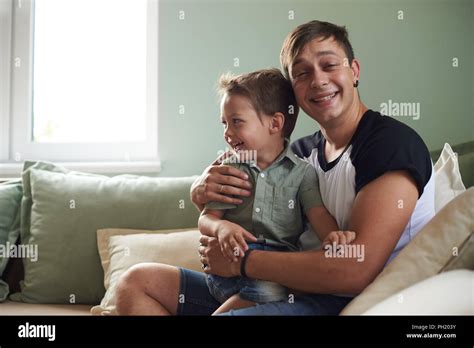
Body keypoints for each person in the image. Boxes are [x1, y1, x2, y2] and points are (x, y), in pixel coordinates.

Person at [115, 20, 435, 316]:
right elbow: (230, 200)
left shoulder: (390, 144)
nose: (318, 80)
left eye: (329, 64)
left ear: (354, 70)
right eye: (302, 73)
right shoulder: (297, 152)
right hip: (270, 286)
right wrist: (199, 190)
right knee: (138, 283)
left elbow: (355, 271)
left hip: (332, 299)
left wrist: (243, 262)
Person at [199, 69, 356, 314]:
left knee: (276, 289)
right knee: (275, 291)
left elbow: (319, 214)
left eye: (236, 122)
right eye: (224, 123)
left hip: (273, 272)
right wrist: (221, 227)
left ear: (275, 123)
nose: (227, 133)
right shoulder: (230, 169)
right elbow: (206, 218)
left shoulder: (303, 173)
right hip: (225, 272)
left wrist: (334, 236)